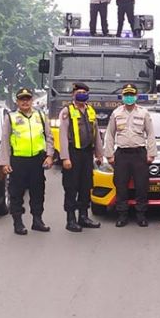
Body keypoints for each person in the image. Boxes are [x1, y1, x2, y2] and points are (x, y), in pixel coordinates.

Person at [0, 87, 54, 235]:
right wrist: (5, 162)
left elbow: (49, 137)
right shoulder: (11, 117)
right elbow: (4, 141)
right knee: (16, 192)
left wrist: (49, 155)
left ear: (32, 100)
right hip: (18, 161)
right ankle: (18, 222)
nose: (25, 102)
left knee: (38, 191)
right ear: (17, 102)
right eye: (22, 99)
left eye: (27, 99)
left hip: (37, 160)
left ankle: (37, 220)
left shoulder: (40, 116)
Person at [104, 84, 156, 227]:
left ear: (136, 96)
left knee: (141, 186)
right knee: (120, 186)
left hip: (139, 153)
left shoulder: (143, 113)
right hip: (122, 154)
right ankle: (122, 215)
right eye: (126, 95)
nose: (128, 98)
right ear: (122, 97)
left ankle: (141, 215)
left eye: (131, 95)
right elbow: (110, 134)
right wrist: (109, 155)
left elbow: (150, 134)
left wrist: (151, 154)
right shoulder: (116, 113)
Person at [59, 82, 103, 232]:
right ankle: (70, 219)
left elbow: (96, 134)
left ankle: (83, 216)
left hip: (87, 154)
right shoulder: (67, 111)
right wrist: (65, 157)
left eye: (85, 92)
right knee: (71, 187)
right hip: (73, 153)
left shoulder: (90, 110)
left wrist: (99, 154)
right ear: (73, 94)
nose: (82, 94)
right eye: (79, 92)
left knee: (86, 186)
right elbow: (63, 136)